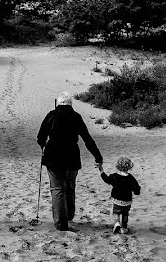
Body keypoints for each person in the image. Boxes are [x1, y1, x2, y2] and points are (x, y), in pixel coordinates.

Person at [36, 91, 104, 231]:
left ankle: (61, 223)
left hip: (53, 155)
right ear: (70, 104)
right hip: (72, 155)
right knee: (70, 186)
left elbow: (40, 137)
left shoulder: (52, 115)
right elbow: (87, 138)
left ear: (58, 103)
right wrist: (98, 156)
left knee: (57, 188)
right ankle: (69, 215)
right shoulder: (76, 117)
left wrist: (43, 145)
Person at [100, 156, 141, 234]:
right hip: (127, 201)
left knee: (116, 212)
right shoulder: (131, 178)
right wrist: (136, 192)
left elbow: (106, 179)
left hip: (117, 200)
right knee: (125, 215)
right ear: (129, 166)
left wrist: (101, 170)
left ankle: (117, 223)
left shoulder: (114, 176)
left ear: (118, 166)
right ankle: (124, 228)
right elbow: (137, 189)